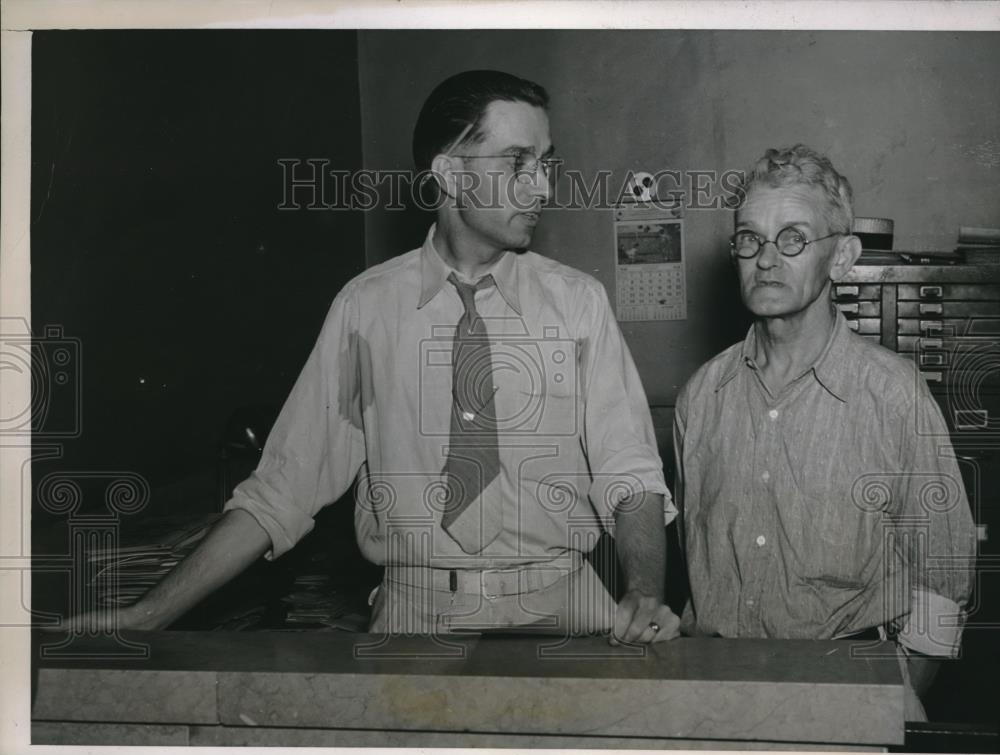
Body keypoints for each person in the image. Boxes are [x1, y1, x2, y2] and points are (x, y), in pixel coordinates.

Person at [68, 70, 680, 643]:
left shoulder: (578, 304)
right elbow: (281, 490)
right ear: (449, 173)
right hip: (415, 619)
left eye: (546, 163)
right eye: (518, 162)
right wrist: (148, 613)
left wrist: (646, 593)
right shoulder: (366, 309)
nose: (542, 185)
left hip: (566, 605)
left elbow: (630, 473)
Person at [673, 144, 978, 715]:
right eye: (749, 238)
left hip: (852, 692)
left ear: (840, 258)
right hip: (716, 690)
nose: (766, 259)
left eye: (793, 238)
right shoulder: (702, 399)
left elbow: (941, 578)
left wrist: (897, 702)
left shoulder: (893, 396)